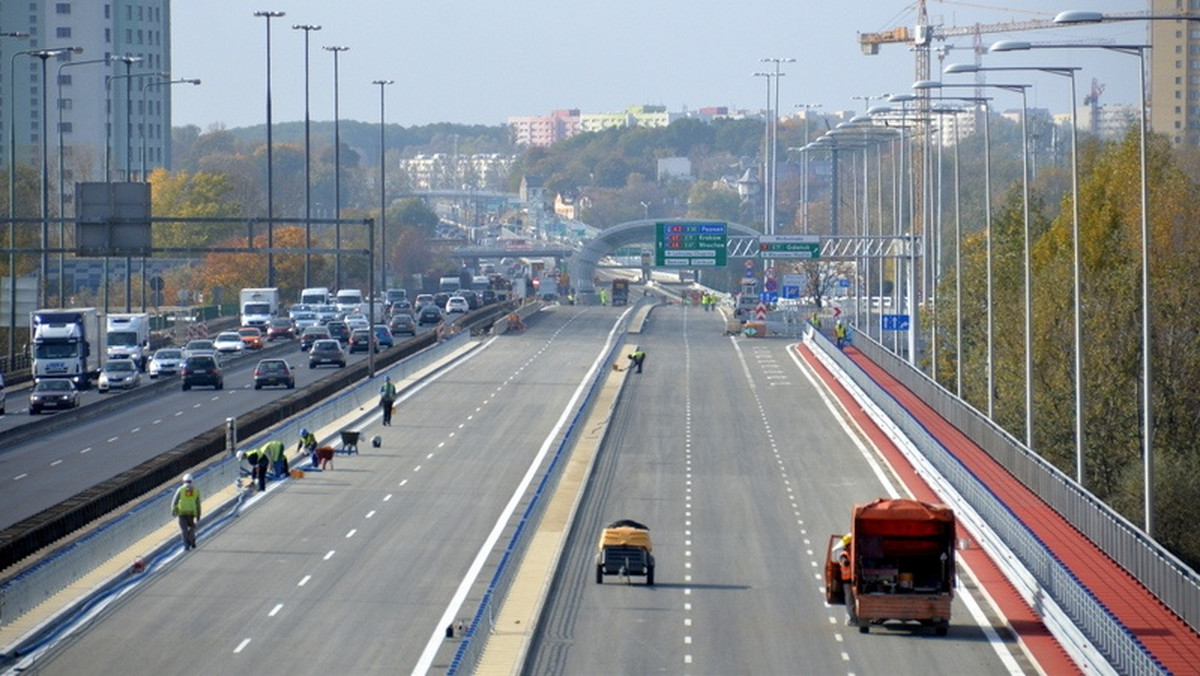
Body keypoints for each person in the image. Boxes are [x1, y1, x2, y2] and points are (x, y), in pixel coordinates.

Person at [171, 474, 202, 550]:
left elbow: (174, 502)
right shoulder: (196, 491)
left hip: (182, 513)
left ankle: (187, 544)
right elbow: (198, 504)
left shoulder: (180, 490)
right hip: (190, 514)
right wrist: (198, 515)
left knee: (184, 530)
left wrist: (173, 511)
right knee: (191, 529)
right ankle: (190, 542)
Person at [831, 534, 857, 626]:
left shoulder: (853, 553)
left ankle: (854, 617)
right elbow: (844, 561)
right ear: (848, 545)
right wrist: (847, 562)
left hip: (854, 581)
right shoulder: (844, 554)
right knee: (850, 601)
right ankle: (851, 619)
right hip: (848, 582)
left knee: (854, 600)